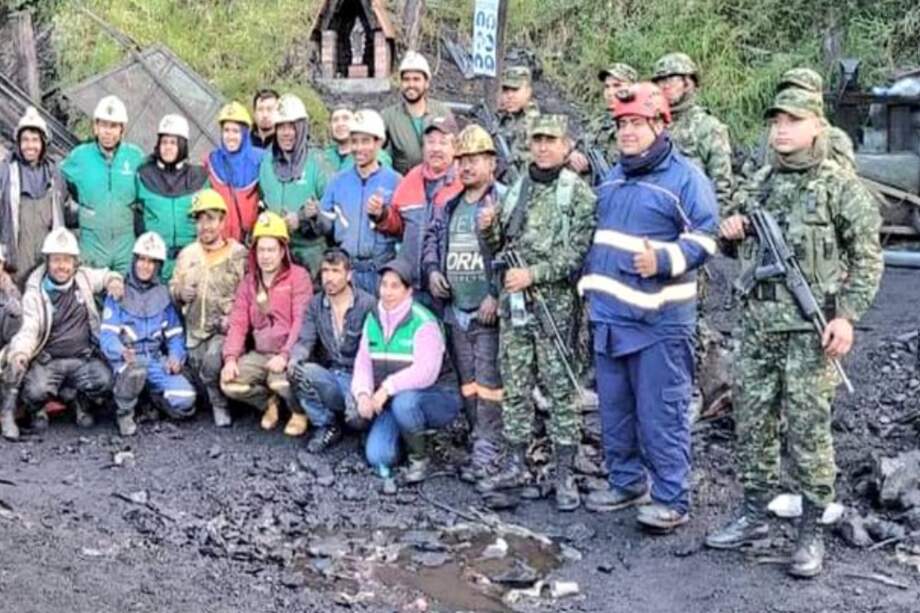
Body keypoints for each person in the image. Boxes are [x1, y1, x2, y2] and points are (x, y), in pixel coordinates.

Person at [706, 88, 883, 578]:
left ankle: (811, 529)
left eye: (792, 120)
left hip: (810, 332)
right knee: (753, 424)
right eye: (776, 120)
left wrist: (846, 315)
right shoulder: (759, 182)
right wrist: (731, 230)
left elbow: (868, 258)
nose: (781, 128)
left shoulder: (838, 186)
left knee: (808, 431)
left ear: (816, 127)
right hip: (758, 327)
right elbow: (726, 246)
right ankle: (754, 512)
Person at [578, 83, 719, 532]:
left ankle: (672, 497)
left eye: (636, 123)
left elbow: (705, 237)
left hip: (659, 324)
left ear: (661, 125)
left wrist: (662, 260)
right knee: (615, 411)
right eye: (621, 124)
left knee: (661, 413)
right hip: (609, 320)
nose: (627, 132)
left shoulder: (685, 179)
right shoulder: (613, 178)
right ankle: (625, 481)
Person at [476, 114, 597, 511]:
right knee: (515, 383)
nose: (543, 147)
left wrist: (534, 275)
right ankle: (515, 464)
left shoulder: (577, 194)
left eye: (551, 140)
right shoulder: (514, 191)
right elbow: (498, 247)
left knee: (562, 391)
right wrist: (488, 228)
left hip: (556, 310)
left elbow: (576, 255)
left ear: (566, 147)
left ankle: (564, 474)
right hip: (515, 308)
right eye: (537, 140)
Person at [421, 124, 504, 485]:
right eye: (463, 160)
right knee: (467, 383)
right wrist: (433, 271)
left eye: (475, 160)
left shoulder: (502, 201)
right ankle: (478, 440)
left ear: (492, 163)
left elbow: (512, 253)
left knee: (489, 385)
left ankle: (490, 453)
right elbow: (431, 241)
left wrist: (496, 294)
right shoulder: (449, 205)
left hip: (487, 314)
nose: (467, 167)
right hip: (456, 310)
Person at [0, 228, 123, 439]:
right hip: (49, 361)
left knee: (106, 380)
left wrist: (114, 281)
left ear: (75, 262)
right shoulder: (35, 291)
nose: (62, 266)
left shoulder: (83, 278)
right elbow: (29, 329)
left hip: (82, 359)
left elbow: (105, 275)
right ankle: (32, 409)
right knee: (34, 390)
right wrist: (20, 352)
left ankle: (80, 401)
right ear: (47, 261)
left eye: (67, 260)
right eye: (56, 260)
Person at [352, 259, 460, 492]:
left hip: (436, 397)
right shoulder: (373, 318)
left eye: (395, 286)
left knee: (405, 403)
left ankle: (419, 460)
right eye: (384, 286)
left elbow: (426, 372)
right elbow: (363, 362)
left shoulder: (423, 321)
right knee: (378, 456)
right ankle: (406, 436)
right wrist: (362, 394)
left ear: (408, 290)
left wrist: (386, 388)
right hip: (392, 400)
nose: (387, 292)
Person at [220, 212, 313, 436]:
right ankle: (269, 403)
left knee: (281, 382)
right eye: (261, 250)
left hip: (287, 354)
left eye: (271, 250)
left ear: (283, 251)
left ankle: (298, 412)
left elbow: (302, 321)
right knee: (229, 384)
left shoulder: (298, 277)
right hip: (261, 353)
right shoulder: (249, 283)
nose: (266, 256)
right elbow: (239, 323)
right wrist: (230, 358)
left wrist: (285, 355)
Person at [101, 232, 196, 436]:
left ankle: (151, 401)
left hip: (154, 360)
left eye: (152, 262)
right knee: (134, 372)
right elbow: (107, 337)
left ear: (158, 266)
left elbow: (175, 335)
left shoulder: (163, 295)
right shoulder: (119, 291)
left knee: (185, 398)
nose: (145, 266)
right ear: (134, 260)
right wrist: (120, 351)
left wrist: (175, 357)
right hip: (127, 359)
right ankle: (125, 413)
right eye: (142, 260)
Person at [170, 189, 247, 427]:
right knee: (188, 377)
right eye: (200, 220)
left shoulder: (238, 255)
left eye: (211, 218)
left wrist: (232, 319)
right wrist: (179, 293)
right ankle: (208, 397)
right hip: (194, 334)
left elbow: (249, 297)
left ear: (223, 221)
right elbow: (172, 289)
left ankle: (220, 405)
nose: (205, 226)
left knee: (213, 362)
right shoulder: (187, 254)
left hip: (223, 331)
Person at [288, 248, 376, 453]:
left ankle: (363, 426)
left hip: (360, 378)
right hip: (333, 374)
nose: (329, 277)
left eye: (336, 271)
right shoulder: (315, 305)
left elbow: (376, 352)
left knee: (357, 420)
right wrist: (295, 359)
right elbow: (305, 340)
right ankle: (327, 425)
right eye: (325, 271)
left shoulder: (367, 304)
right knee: (298, 371)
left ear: (349, 274)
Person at [377, 115, 463, 308]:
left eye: (443, 142)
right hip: (412, 285)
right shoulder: (411, 178)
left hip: (450, 288)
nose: (436, 148)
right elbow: (399, 226)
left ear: (455, 147)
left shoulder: (463, 181)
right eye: (430, 142)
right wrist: (381, 215)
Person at [315, 109, 401, 295]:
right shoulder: (338, 181)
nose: (359, 148)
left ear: (379, 142)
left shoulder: (395, 182)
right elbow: (327, 226)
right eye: (354, 141)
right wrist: (317, 216)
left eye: (365, 141)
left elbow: (403, 229)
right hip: (348, 271)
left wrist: (382, 215)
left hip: (382, 271)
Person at [61, 95, 145, 273]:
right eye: (103, 125)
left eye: (113, 126)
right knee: (91, 294)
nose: (108, 131)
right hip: (92, 244)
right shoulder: (79, 156)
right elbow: (56, 179)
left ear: (122, 129)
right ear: (95, 127)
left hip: (126, 245)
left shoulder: (135, 157)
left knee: (125, 294)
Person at [651, 53, 734, 213]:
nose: (664, 86)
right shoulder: (650, 124)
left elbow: (722, 188)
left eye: (670, 79)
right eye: (660, 81)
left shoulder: (707, 126)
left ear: (688, 83)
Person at [739, 68, 856, 181]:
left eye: (801, 89)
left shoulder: (834, 139)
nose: (793, 94)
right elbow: (749, 177)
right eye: (788, 89)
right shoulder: (772, 134)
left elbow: (845, 179)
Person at [258, 93, 329, 279]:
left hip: (311, 255)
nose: (286, 133)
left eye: (292, 127)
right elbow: (260, 200)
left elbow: (333, 212)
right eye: (281, 127)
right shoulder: (266, 161)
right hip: (276, 254)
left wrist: (304, 218)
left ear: (302, 128)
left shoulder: (318, 161)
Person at [0, 106, 68, 287]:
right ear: (18, 143)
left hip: (47, 260)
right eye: (25, 140)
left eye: (35, 140)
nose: (30, 145)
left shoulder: (55, 173)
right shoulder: (6, 171)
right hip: (15, 263)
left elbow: (64, 211)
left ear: (43, 143)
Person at [136, 114, 208, 280]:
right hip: (155, 262)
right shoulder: (144, 175)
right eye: (164, 142)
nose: (168, 147)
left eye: (173, 142)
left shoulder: (199, 178)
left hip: (191, 262)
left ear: (182, 145)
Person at [381, 51, 453, 175]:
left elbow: (455, 148)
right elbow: (375, 151)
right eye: (406, 79)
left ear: (426, 83)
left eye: (416, 79)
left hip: (439, 180)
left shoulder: (441, 111)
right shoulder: (388, 116)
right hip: (404, 184)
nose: (411, 85)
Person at [204, 101, 265, 243]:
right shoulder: (211, 162)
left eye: (236, 131)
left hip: (250, 243)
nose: (230, 136)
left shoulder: (260, 161)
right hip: (218, 242)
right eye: (226, 130)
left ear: (245, 133)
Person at [583, 63, 638, 170]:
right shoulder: (597, 122)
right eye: (607, 87)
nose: (610, 93)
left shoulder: (642, 125)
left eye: (617, 86)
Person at [496, 66, 541, 179]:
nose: (509, 96)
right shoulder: (505, 119)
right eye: (506, 90)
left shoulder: (535, 124)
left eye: (515, 90)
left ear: (528, 92)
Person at [322, 104, 392, 174]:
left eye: (345, 118)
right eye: (335, 120)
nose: (340, 124)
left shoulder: (377, 156)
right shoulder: (323, 156)